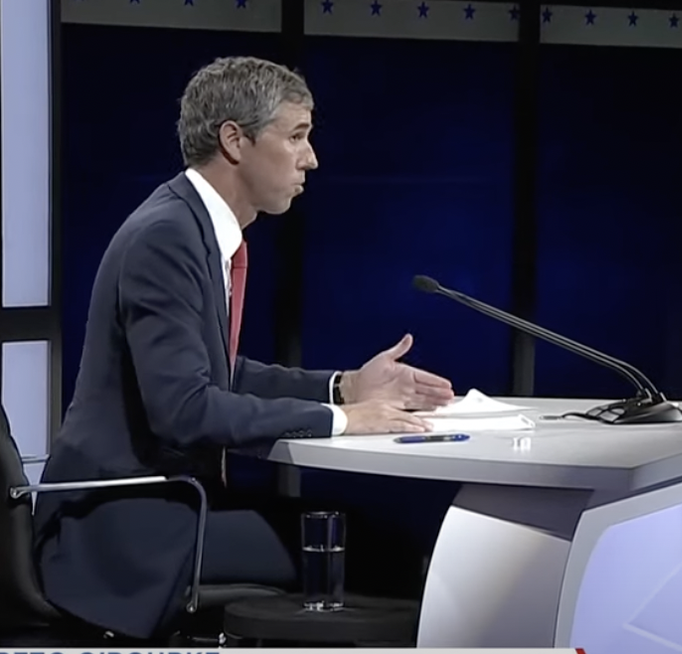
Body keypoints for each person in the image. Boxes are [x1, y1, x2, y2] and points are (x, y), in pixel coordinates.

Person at [33, 56, 454, 641]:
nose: (312, 158)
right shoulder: (167, 238)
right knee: (387, 552)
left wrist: (344, 386)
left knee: (370, 538)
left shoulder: (192, 228)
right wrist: (341, 419)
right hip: (123, 533)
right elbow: (184, 408)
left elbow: (219, 373)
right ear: (235, 140)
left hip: (169, 510)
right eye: (297, 137)